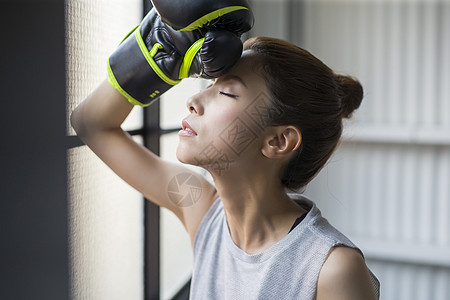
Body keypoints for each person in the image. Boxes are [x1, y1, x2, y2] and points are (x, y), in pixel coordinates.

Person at [71, 1, 380, 299]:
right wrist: (156, 48)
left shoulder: (332, 269)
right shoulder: (202, 210)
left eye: (228, 92)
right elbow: (91, 124)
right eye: (210, 84)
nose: (194, 101)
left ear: (278, 141)